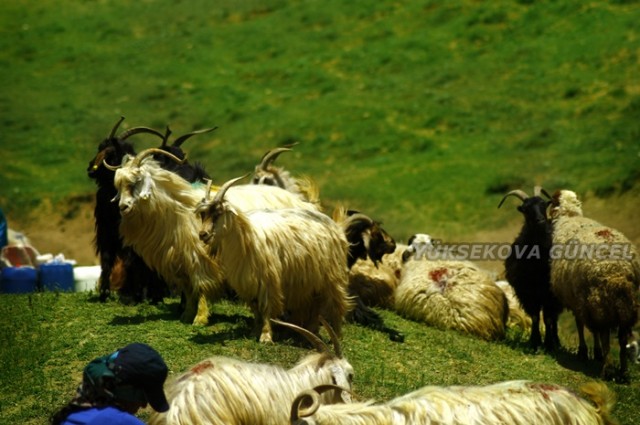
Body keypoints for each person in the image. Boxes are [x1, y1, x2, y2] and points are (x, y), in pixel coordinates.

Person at [51, 342, 170, 425]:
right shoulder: (119, 421)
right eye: (142, 397)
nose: (144, 405)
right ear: (125, 389)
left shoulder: (80, 408)